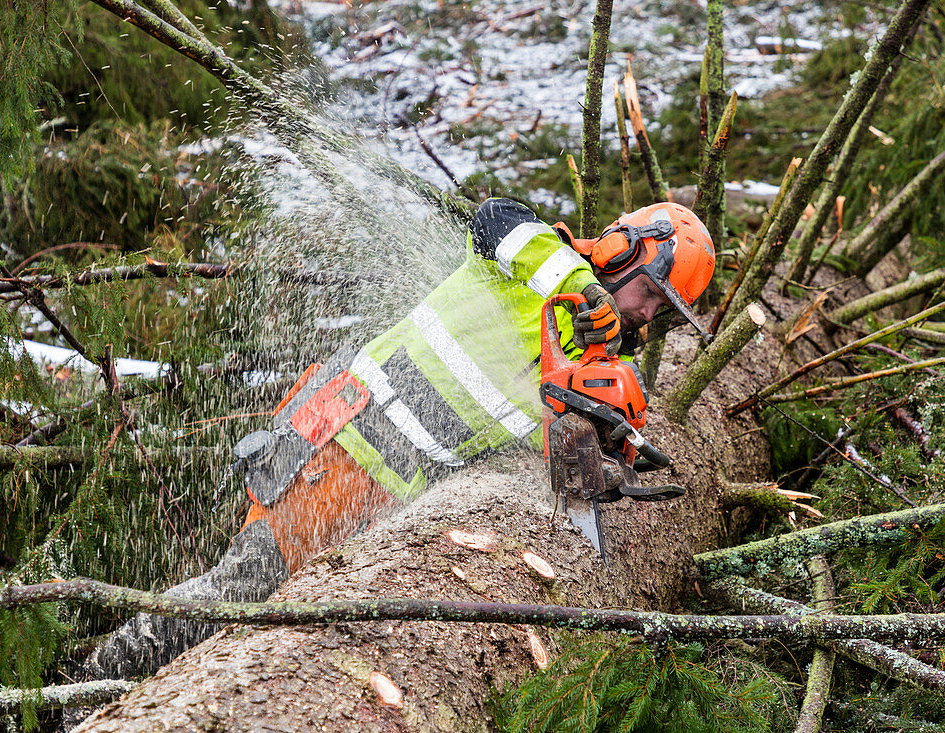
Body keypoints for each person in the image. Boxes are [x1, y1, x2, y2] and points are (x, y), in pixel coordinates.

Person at [85, 198, 716, 679]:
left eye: (664, 312)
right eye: (652, 294)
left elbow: (538, 439)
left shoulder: (579, 349)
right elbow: (495, 219)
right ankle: (92, 681)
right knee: (235, 595)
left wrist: (608, 442)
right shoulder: (539, 261)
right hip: (337, 446)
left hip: (382, 486)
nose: (647, 315)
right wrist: (575, 286)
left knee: (267, 626)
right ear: (629, 251)